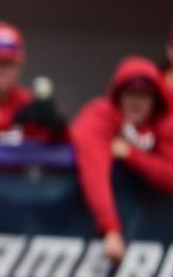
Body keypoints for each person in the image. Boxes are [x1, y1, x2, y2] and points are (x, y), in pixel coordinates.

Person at [70, 57, 173, 263]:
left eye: (144, 95)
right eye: (130, 93)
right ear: (119, 95)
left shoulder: (164, 125)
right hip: (85, 231)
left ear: (155, 100)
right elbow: (94, 171)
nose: (136, 101)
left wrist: (133, 155)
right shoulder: (100, 114)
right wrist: (110, 228)